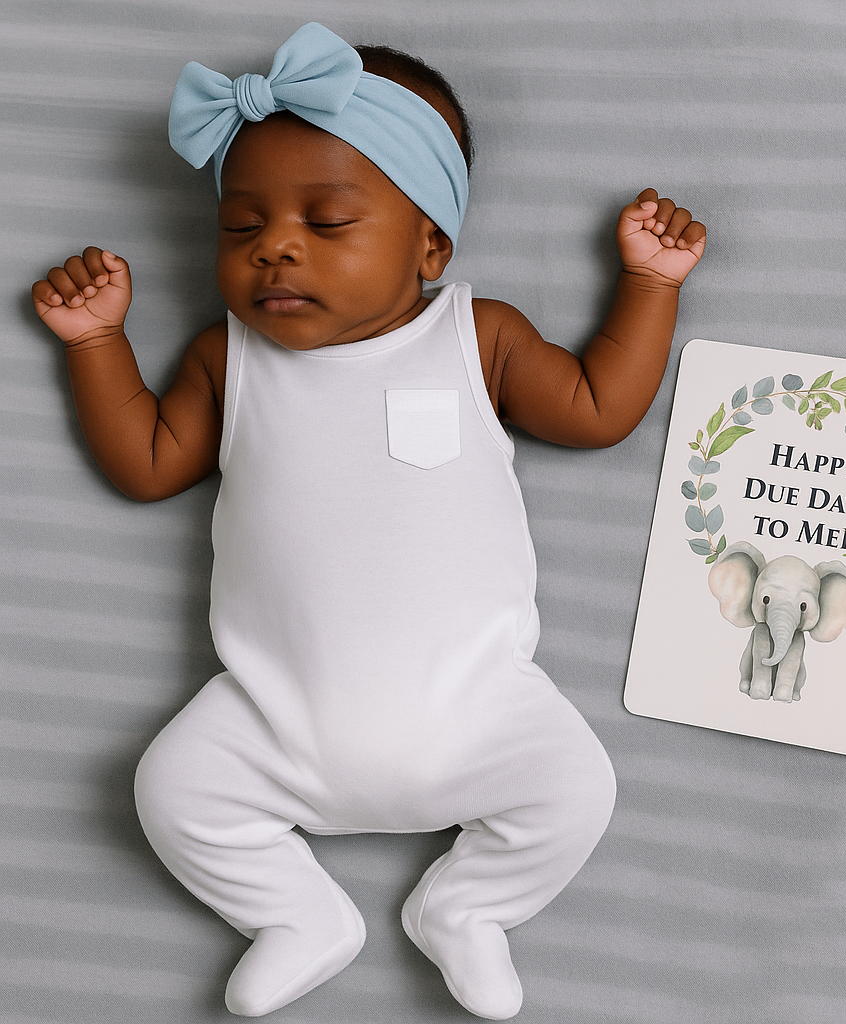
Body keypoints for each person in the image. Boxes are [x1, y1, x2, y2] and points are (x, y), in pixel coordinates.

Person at [31, 23, 705, 1021]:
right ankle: (297, 913)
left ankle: (468, 907)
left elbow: (599, 410)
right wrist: (98, 343)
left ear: (429, 242)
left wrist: (648, 288)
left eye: (329, 221)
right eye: (241, 227)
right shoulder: (231, 361)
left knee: (576, 789)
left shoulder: (477, 337)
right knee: (170, 790)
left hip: (479, 710)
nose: (276, 247)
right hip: (273, 716)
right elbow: (146, 463)